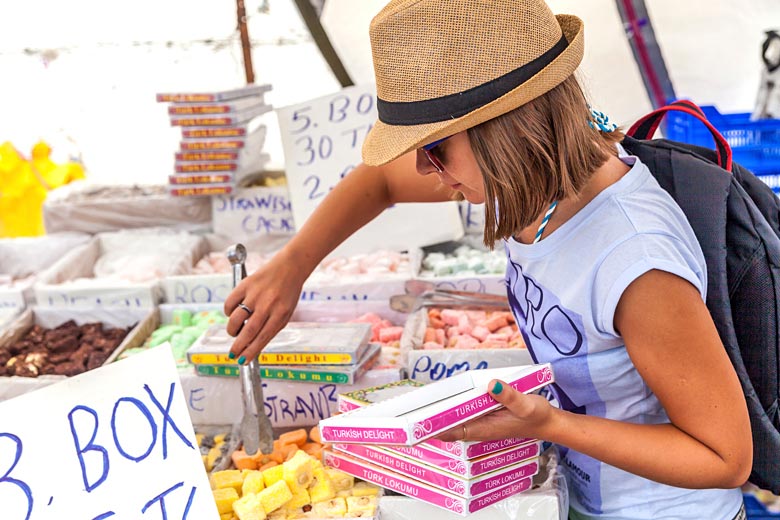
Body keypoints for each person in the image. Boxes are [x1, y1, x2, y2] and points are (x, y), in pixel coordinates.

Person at [225, 0, 752, 518]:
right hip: (583, 493)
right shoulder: (526, 181)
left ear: (507, 129)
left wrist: (548, 425)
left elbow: (724, 458)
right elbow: (380, 180)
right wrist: (293, 264)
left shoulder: (635, 257)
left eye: (434, 148)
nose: (423, 169)